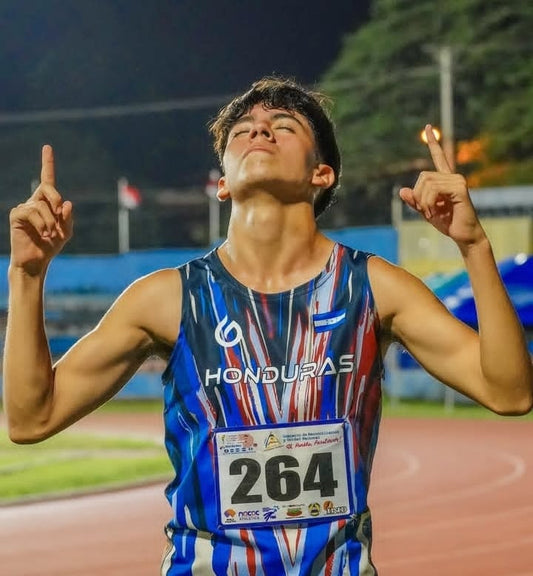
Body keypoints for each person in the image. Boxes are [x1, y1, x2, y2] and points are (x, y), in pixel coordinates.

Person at [4, 76, 532, 576]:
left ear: (320, 174)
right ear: (223, 183)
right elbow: (31, 418)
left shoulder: (374, 287)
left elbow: (508, 392)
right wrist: (27, 276)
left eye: (283, 126)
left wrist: (474, 246)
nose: (258, 131)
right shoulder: (168, 298)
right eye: (241, 131)